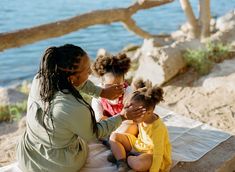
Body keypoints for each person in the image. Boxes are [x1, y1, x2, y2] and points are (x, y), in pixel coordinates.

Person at [16, 44, 146, 172]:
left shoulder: (41, 79)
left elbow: (76, 83)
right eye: (87, 70)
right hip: (58, 165)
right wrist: (123, 116)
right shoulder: (72, 108)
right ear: (72, 78)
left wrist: (100, 91)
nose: (90, 72)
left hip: (27, 154)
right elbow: (95, 133)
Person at [109, 79, 172, 172]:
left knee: (138, 164)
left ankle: (125, 158)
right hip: (139, 145)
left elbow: (158, 155)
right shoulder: (141, 119)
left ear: (149, 112)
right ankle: (121, 161)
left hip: (150, 154)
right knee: (114, 136)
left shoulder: (158, 129)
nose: (132, 114)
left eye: (136, 112)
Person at [91, 54, 137, 136]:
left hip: (125, 124)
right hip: (109, 125)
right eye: (110, 86)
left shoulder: (128, 93)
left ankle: (113, 138)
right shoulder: (98, 94)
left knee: (130, 127)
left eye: (119, 86)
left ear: (124, 81)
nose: (115, 90)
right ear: (102, 84)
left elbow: (129, 119)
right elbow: (99, 118)